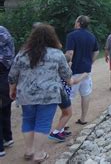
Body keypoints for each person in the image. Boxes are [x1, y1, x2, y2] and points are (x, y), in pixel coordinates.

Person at [8, 24, 72, 163]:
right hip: (48, 95)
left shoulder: (23, 53)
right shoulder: (57, 54)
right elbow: (66, 74)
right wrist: (69, 82)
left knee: (28, 121)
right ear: (52, 38)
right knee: (42, 123)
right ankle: (38, 154)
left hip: (26, 94)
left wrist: (12, 89)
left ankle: (29, 151)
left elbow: (12, 75)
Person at [65, 15, 99, 125]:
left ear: (79, 23)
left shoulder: (72, 36)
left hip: (74, 72)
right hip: (86, 72)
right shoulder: (91, 36)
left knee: (68, 97)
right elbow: (96, 51)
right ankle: (83, 118)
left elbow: (70, 53)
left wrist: (65, 67)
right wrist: (90, 62)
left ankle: (64, 123)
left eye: (76, 21)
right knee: (86, 94)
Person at [0, 26, 14, 156]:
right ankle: (8, 138)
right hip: (7, 74)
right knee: (5, 107)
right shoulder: (4, 30)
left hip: (2, 72)